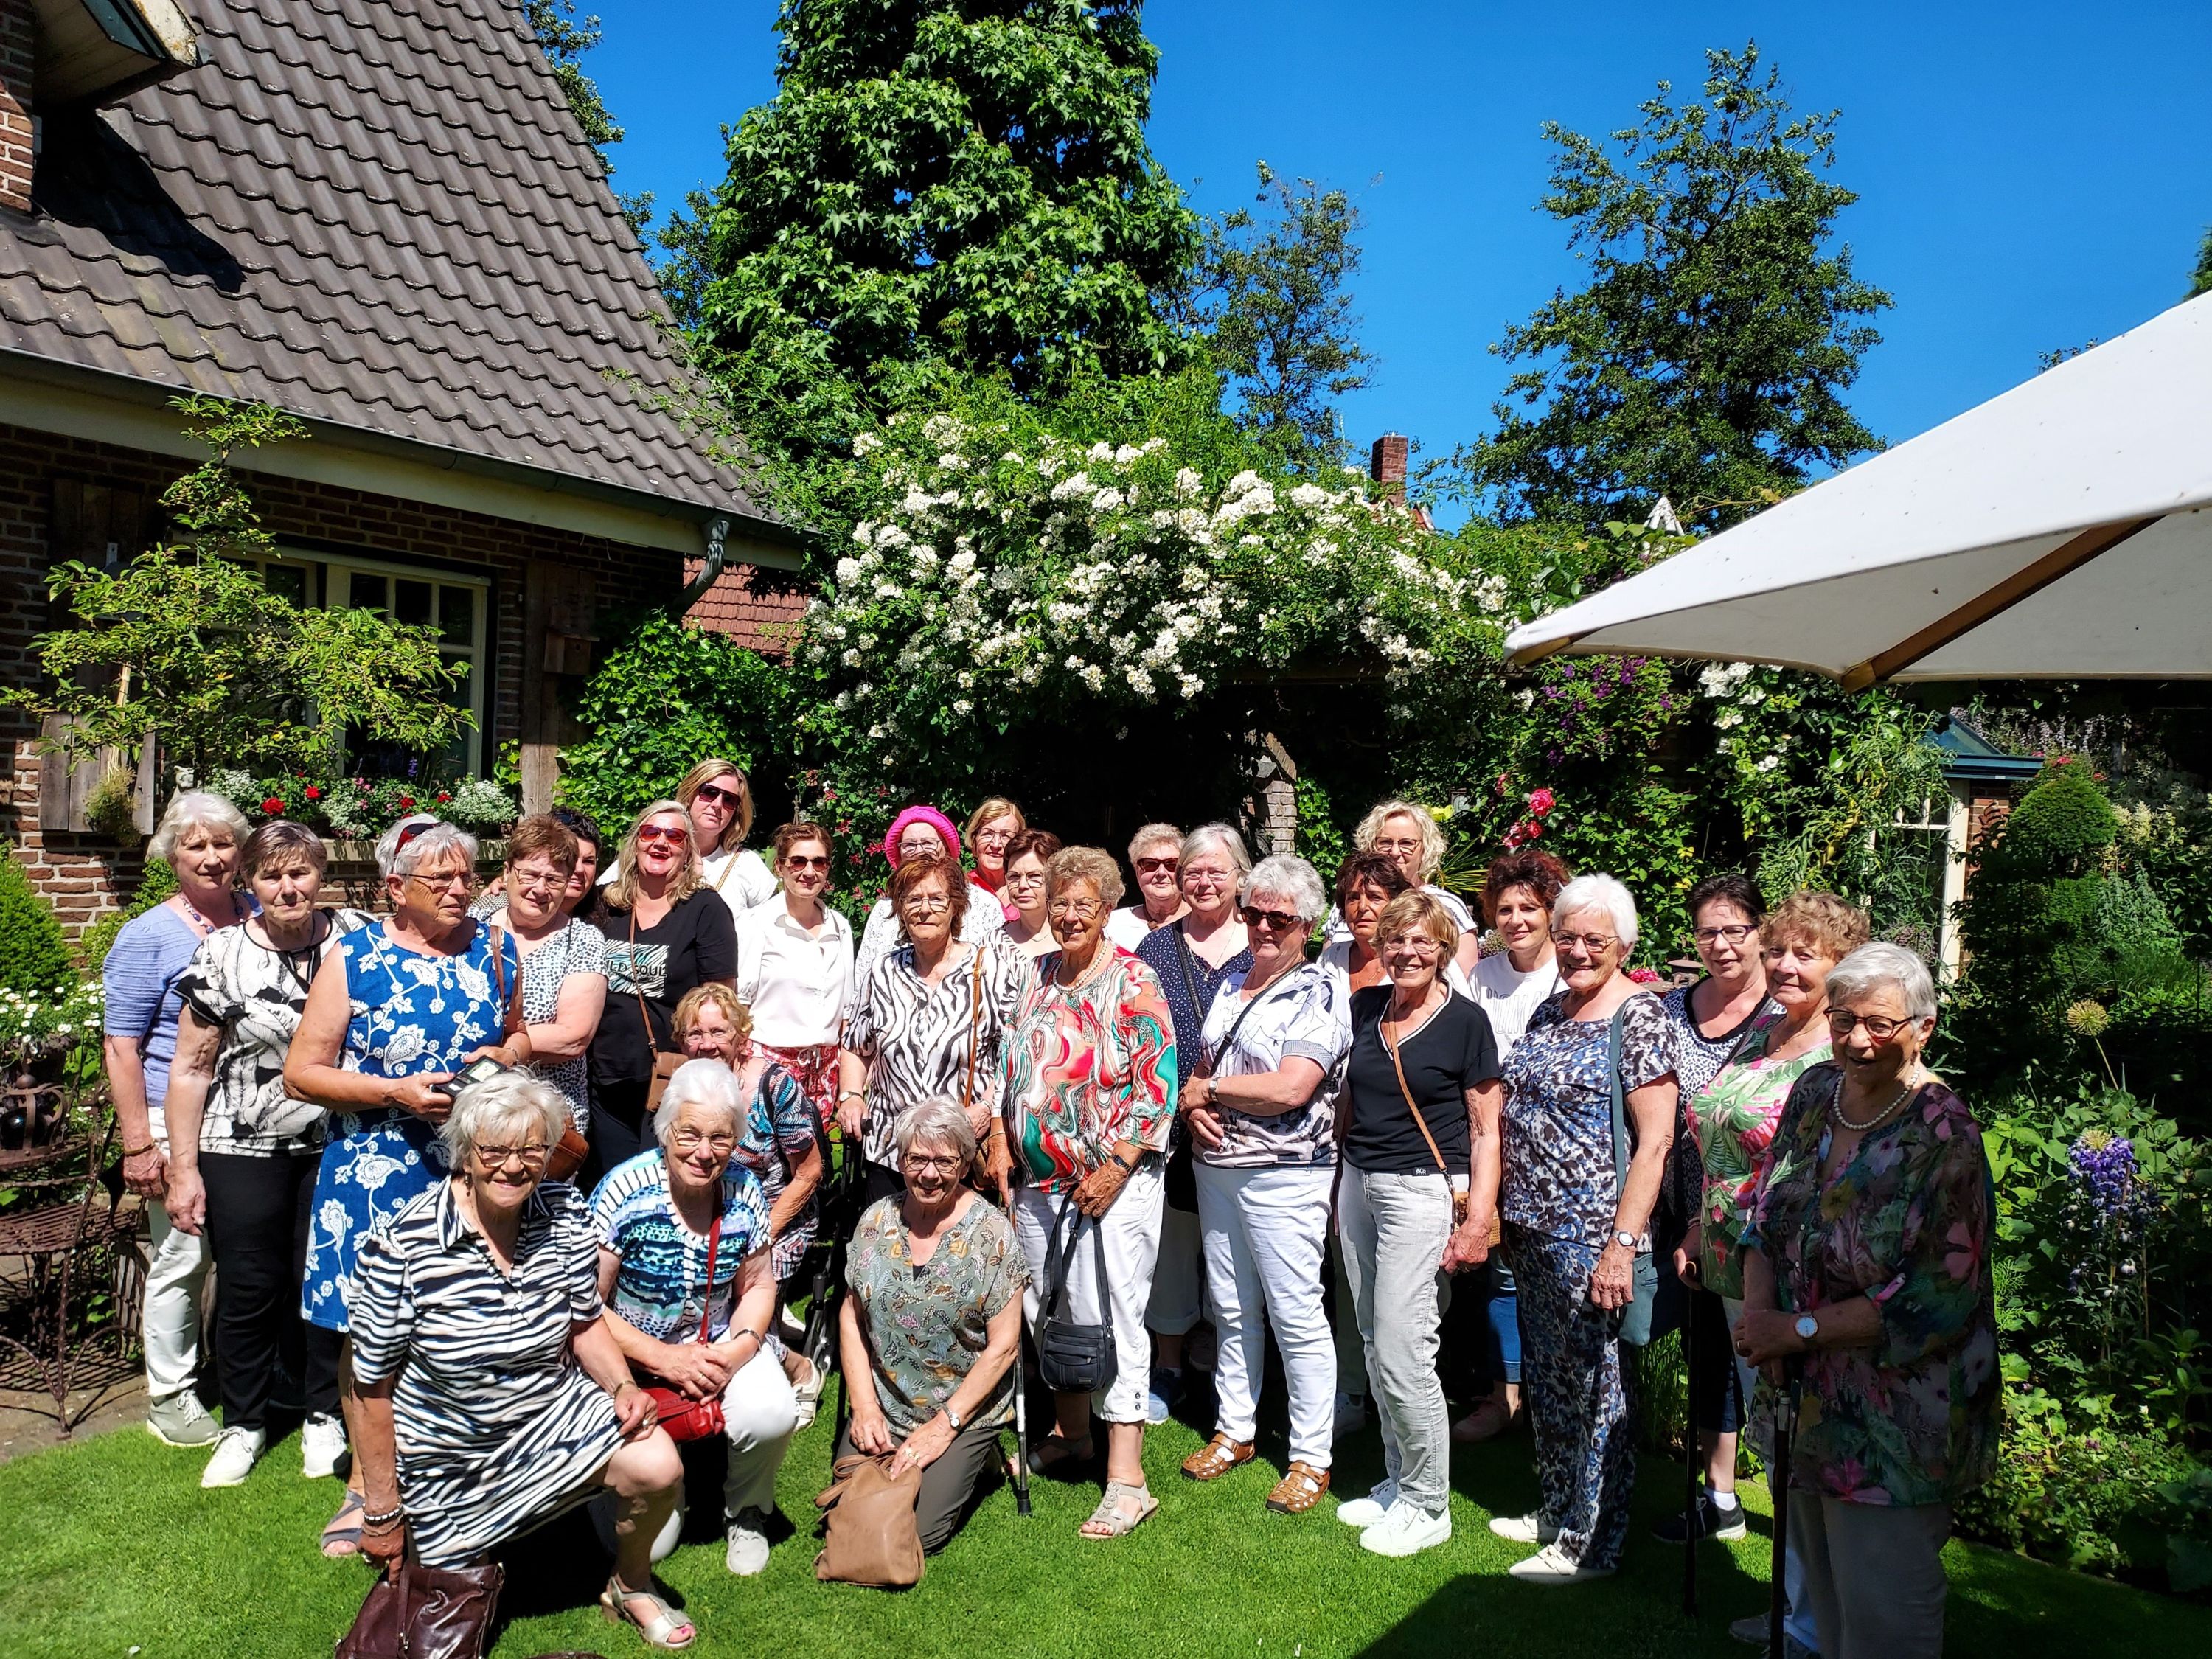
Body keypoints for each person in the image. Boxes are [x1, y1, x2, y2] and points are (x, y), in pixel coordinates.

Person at [349, 1072, 698, 1651]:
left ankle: (630, 1584)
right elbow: (371, 1388)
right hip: (449, 1454)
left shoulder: (564, 1213)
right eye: (495, 1150)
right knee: (443, 1624)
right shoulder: (403, 1245)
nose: (514, 1167)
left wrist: (621, 1387)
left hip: (550, 1414)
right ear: (465, 1151)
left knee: (658, 1464)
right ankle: (458, 1540)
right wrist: (383, 1509)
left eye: (532, 1150)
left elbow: (585, 1323)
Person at [1738, 943, 1997, 1659]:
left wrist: (1796, 1329)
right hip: (1806, 1400)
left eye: (1880, 1024)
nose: (1858, 1040)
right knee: (1824, 1601)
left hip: (1897, 1415)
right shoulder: (1814, 1092)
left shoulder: (1943, 1132)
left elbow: (1937, 1295)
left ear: (1924, 1028)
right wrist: (1761, 1318)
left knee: (1884, 1615)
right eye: (1844, 1020)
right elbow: (1765, 1208)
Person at [286, 818, 526, 1557]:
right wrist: (392, 1091)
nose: (462, 890)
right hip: (374, 1170)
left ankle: (459, 1476)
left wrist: (506, 1052)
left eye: (467, 877)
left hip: (471, 1172)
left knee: (462, 1323)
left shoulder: (496, 949)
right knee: (370, 1333)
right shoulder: (354, 957)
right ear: (396, 886)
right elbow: (302, 1072)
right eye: (441, 879)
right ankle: (367, 1488)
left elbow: (518, 1034)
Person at [1678, 893, 1865, 1655]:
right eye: (1779, 949)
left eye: (1805, 954)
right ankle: (1796, 1606)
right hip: (1736, 1266)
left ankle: (1814, 1623)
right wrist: (1699, 1225)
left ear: (1841, 966)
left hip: (1794, 1278)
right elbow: (1724, 1141)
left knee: (1804, 1447)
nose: (1784, 965)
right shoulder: (1767, 1028)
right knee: (1775, 1442)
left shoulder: (1840, 1051)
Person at [161, 822, 372, 1487]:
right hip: (241, 1143)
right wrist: (183, 1169)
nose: (287, 888)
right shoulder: (223, 952)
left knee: (326, 1283)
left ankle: (322, 1414)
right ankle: (244, 1423)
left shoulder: (358, 939)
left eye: (300, 873)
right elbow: (191, 1068)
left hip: (338, 1142)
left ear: (321, 875)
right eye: (271, 876)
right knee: (249, 1286)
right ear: (248, 882)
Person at [1490, 874, 1678, 1585]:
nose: (1577, 951)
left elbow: (1656, 1142)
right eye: (1567, 937)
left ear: (1623, 945)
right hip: (1532, 1228)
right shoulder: (1552, 1008)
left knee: (1599, 1390)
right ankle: (1557, 1508)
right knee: (1550, 1381)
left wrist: (1621, 1247)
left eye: (1594, 940)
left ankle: (1591, 1543)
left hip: (1593, 1233)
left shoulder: (1639, 1016)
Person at [1000, 845, 1176, 1540]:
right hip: (1037, 1182)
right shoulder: (1036, 973)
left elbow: (1158, 1080)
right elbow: (1013, 1067)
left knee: (1113, 1316)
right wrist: (1001, 1138)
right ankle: (1071, 1436)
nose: (1070, 916)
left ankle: (1128, 1481)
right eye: (1061, 903)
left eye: (1084, 905)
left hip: (1110, 1182)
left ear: (1106, 912)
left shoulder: (1133, 978)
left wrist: (1119, 1164)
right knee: (1049, 1310)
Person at [1175, 855, 1349, 1514]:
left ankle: (1311, 1456)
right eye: (1255, 913)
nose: (1265, 927)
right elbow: (1202, 1065)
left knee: (1296, 1313)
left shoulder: (1320, 990)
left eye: (1281, 918)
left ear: (1308, 926)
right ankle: (1235, 1430)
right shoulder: (1231, 981)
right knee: (1230, 1306)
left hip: (1286, 1175)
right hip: (1218, 1167)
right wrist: (1194, 1106)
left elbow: (1292, 1086)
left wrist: (1211, 1091)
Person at [1333, 891, 1501, 1558]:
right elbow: (1348, 1100)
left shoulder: (1465, 1023)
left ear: (1443, 950)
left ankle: (1429, 1503)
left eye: (1421, 941)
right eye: (1395, 940)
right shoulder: (1366, 1008)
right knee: (1375, 1339)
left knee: (1406, 1347)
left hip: (1419, 1193)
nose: (1406, 952)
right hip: (1359, 1183)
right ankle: (1398, 1478)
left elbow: (1486, 1131)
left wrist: (1478, 1219)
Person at [594, 1059, 801, 1579]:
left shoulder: (744, 1191)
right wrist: (664, 1359)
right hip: (632, 1359)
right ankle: (636, 1482)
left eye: (720, 1138)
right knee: (652, 1547)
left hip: (717, 1343)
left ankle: (747, 1509)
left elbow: (759, 1285)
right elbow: (586, 1305)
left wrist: (737, 1351)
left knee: (773, 1410)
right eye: (689, 1134)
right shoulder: (623, 1190)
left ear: (735, 1141)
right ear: (667, 1130)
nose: (703, 1152)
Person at [104, 789, 251, 1450]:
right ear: (173, 856)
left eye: (223, 843)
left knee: (248, 1253)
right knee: (184, 1255)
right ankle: (170, 1394)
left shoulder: (257, 917)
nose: (213, 858)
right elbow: (122, 1047)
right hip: (175, 1121)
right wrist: (140, 1145)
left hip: (252, 1119)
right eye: (197, 846)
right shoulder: (148, 936)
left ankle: (248, 1370)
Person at [840, 1097, 1029, 1557]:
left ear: (964, 1163)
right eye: (917, 1159)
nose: (929, 1174)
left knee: (915, 1536)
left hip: (962, 1410)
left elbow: (1005, 1347)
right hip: (887, 1404)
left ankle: (977, 1453)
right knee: (852, 1512)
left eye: (944, 1162)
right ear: (899, 1159)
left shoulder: (992, 1234)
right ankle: (967, 1460)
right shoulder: (875, 1220)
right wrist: (864, 1407)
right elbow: (850, 1314)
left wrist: (945, 1427)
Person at [1451, 848, 1571, 1444]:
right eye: (1505, 909)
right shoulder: (1482, 978)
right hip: (1495, 1143)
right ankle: (1504, 1396)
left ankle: (1554, 1400)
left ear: (1552, 911)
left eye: (1529, 907)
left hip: (1559, 1153)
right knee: (1501, 1274)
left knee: (1553, 1276)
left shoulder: (1572, 973)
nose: (1516, 920)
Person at [1133, 823, 1252, 1422]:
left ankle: (1232, 1369)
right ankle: (1171, 1365)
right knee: (1174, 1254)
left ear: (1240, 876)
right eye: (1193, 872)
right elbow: (1140, 1039)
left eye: (1216, 871)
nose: (1204, 882)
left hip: (1250, 1127)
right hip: (1173, 1129)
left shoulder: (1265, 941)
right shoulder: (1154, 950)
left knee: (1235, 1257)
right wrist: (1186, 1101)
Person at [840, 853, 1027, 1208]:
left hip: (960, 1148)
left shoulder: (990, 969)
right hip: (891, 1149)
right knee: (888, 1241)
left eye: (937, 899)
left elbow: (1014, 1055)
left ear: (955, 907)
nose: (924, 909)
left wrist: (986, 1109)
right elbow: (856, 1044)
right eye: (913, 899)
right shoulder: (883, 971)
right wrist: (851, 1095)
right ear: (900, 909)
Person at [671, 985, 825, 1400]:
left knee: (741, 1299)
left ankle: (796, 1372)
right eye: (695, 1033)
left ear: (742, 1036)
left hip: (780, 1219)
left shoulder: (775, 1085)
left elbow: (809, 1172)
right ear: (681, 1041)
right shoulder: (684, 1088)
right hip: (710, 1215)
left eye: (718, 1032)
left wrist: (760, 1234)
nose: (706, 1044)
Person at [587, 801, 738, 1182]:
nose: (661, 843)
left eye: (675, 836)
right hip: (604, 1079)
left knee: (660, 1186)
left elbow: (720, 1001)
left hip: (671, 1080)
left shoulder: (705, 909)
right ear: (635, 842)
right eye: (651, 832)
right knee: (612, 1187)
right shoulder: (603, 905)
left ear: (687, 851)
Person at [474, 815, 608, 1135]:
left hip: (544, 1115)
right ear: (507, 872)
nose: (540, 889)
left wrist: (499, 1046)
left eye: (554, 879)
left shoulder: (582, 940)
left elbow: (574, 1036)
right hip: (470, 1105)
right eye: (530, 874)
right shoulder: (474, 920)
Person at [731, 821, 854, 1128]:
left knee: (816, 1157)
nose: (809, 872)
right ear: (780, 867)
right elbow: (738, 1006)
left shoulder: (840, 927)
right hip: (767, 1070)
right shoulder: (756, 923)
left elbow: (846, 1012)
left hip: (824, 1075)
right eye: (798, 861)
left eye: (819, 862)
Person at [853, 804, 1007, 987]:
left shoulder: (984, 904)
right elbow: (863, 980)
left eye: (928, 843)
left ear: (947, 850)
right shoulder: (884, 910)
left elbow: (998, 974)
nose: (919, 851)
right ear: (899, 854)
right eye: (910, 845)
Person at [1344, 799, 1481, 978]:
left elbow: (1466, 980)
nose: (1395, 852)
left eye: (1407, 843)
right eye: (1385, 842)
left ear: (1425, 848)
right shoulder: (1351, 905)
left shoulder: (1447, 906)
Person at [683, 757, 777, 916]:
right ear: (689, 795)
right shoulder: (661, 852)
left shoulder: (747, 864)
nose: (717, 805)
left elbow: (774, 921)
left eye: (729, 799)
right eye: (709, 792)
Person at [1104, 821, 1186, 951]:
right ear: (1137, 871)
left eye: (1172, 864)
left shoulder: (1203, 921)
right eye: (1150, 864)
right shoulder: (1111, 924)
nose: (1161, 873)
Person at [997, 827, 1064, 959]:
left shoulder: (1075, 938)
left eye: (1034, 876)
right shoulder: (993, 945)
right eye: (1014, 876)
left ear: (1055, 878)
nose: (1022, 885)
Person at [964, 796, 1026, 915]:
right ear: (974, 840)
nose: (996, 844)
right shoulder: (961, 890)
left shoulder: (1029, 890)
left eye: (1005, 835)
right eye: (987, 834)